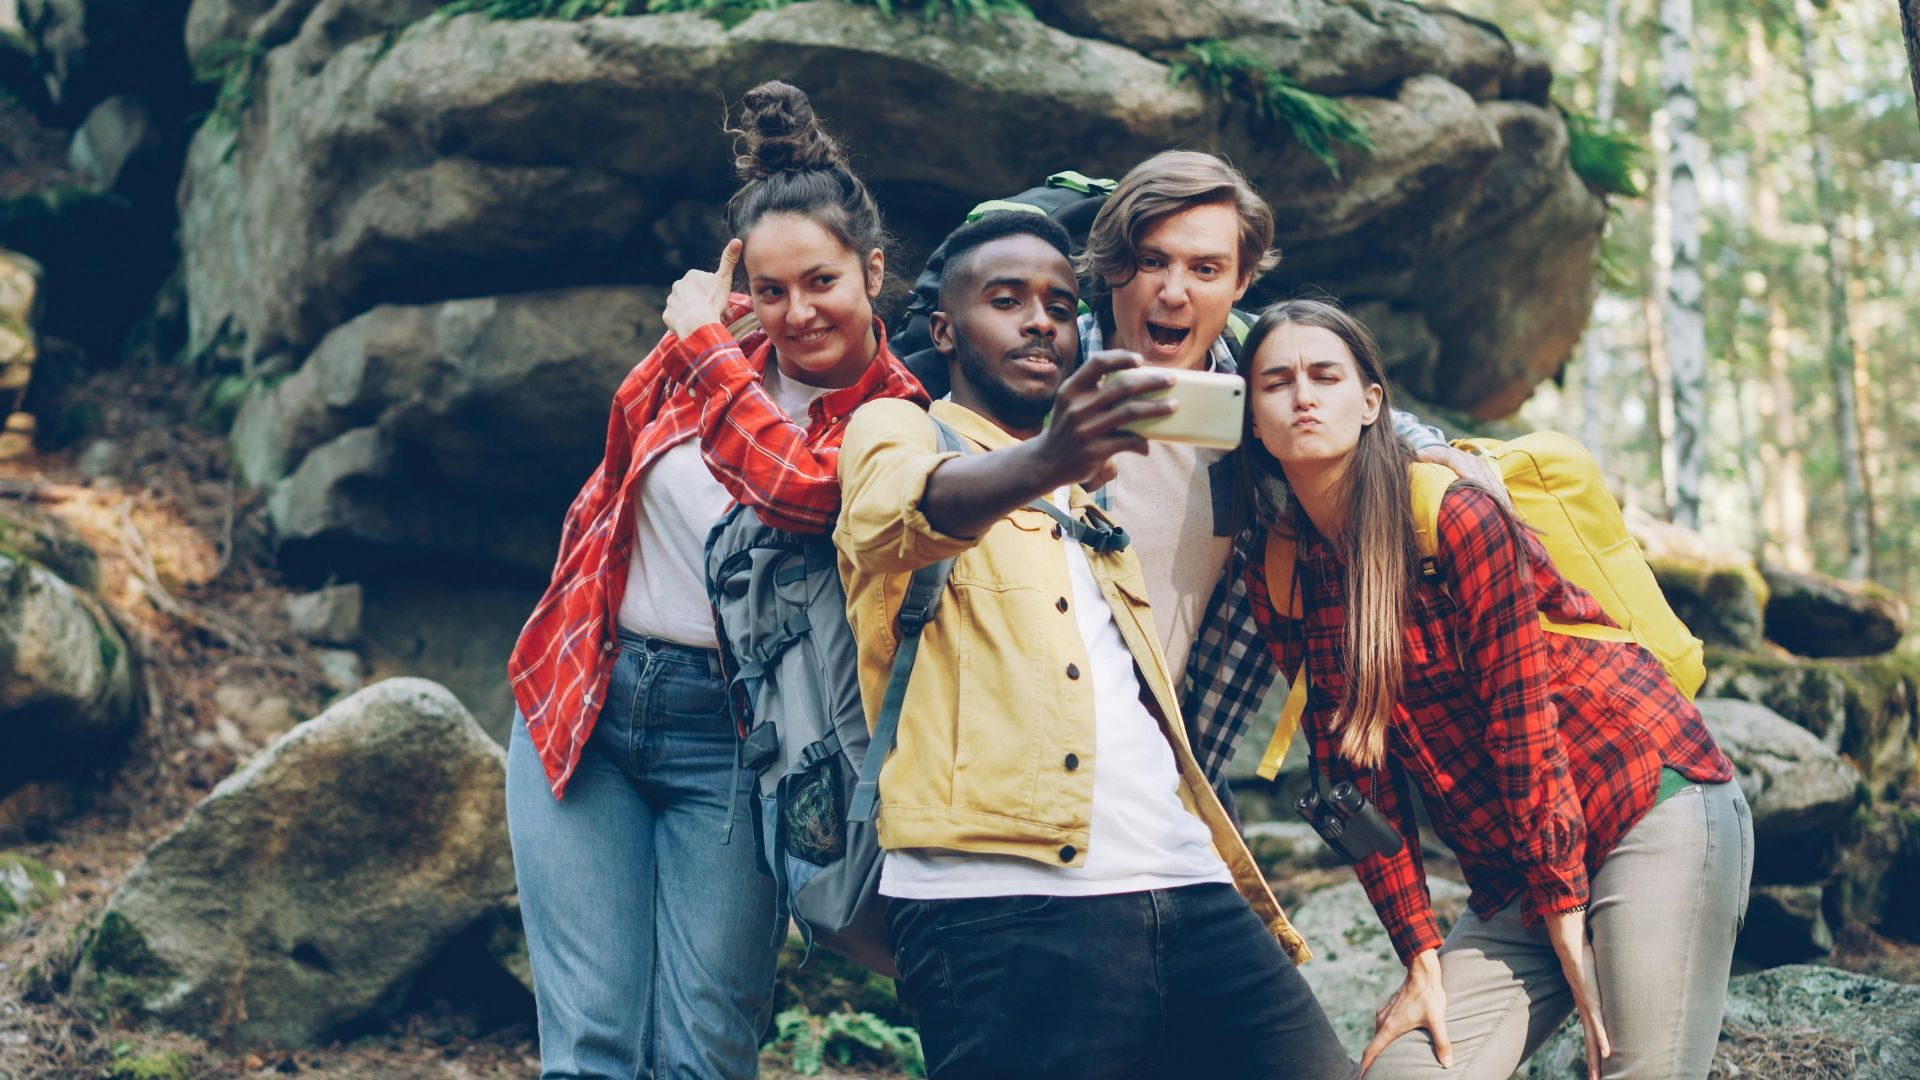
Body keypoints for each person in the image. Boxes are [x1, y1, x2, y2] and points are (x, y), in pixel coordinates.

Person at [833, 212, 1355, 1080]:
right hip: (999, 903)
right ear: (945, 331)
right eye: (1007, 300)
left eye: (1059, 303)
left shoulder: (1089, 493)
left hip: (1185, 877)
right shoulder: (899, 430)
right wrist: (1049, 458)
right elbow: (902, 515)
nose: (1041, 319)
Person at [503, 81, 926, 1079]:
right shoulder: (718, 353)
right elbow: (608, 492)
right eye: (771, 289)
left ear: (871, 271)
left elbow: (801, 493)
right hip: (585, 700)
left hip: (739, 739)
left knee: (704, 1050)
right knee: (592, 1046)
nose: (798, 312)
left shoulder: (896, 413)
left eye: (821, 281)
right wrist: (705, 342)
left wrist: (699, 340)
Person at [1238, 298, 1751, 1080]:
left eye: (1324, 375)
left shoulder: (1455, 513)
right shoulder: (1281, 574)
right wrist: (1420, 953)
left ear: (1371, 401)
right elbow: (1352, 780)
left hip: (1646, 805)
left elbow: (1524, 723)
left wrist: (1566, 904)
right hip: (1521, 872)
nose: (1302, 396)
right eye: (1276, 382)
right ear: (1252, 412)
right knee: (1402, 1072)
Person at [1068, 150, 1502, 785]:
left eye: (1206, 268)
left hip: (1165, 765)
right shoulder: (1040, 372)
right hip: (1029, 749)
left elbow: (1346, 401)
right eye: (1151, 260)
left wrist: (1434, 448)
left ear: (1241, 282)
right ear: (1113, 267)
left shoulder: (1255, 380)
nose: (1173, 291)